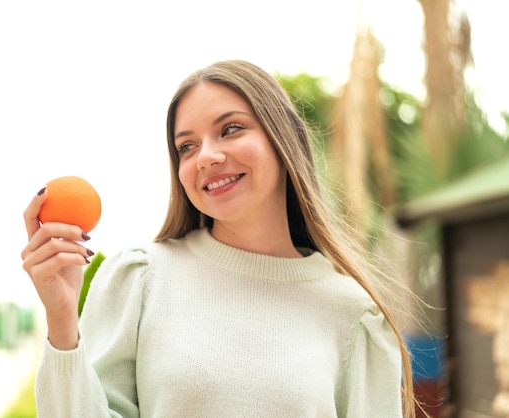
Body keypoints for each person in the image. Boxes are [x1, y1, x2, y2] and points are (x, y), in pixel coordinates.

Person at [21, 59, 418, 417]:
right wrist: (61, 317)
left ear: (283, 141)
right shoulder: (141, 278)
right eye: (187, 146)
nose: (206, 157)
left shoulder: (353, 315)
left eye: (231, 129)